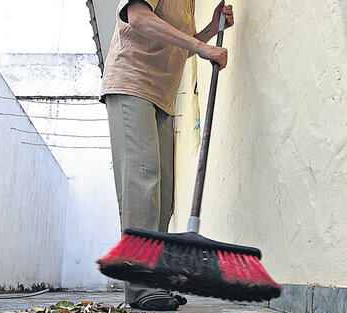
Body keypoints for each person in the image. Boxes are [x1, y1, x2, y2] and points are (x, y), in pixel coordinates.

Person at [100, 0, 234, 311]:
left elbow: (176, 47)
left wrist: (211, 30)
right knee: (142, 184)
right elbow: (139, 19)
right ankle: (139, 285)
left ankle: (155, 280)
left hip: (162, 96)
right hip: (131, 85)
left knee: (162, 194)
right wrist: (203, 48)